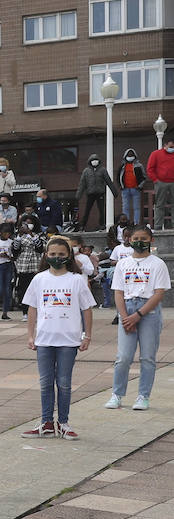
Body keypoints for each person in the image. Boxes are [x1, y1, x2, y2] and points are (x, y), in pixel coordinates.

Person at [21, 237, 94, 439]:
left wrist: (87, 335)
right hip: (44, 340)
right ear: (46, 255)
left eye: (61, 254)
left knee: (64, 383)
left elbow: (87, 309)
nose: (56, 257)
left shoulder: (77, 280)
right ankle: (46, 423)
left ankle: (63, 422)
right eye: (52, 254)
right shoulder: (39, 279)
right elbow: (32, 307)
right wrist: (30, 335)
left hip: (69, 341)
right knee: (45, 383)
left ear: (69, 256)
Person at [106, 225, 168, 410]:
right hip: (127, 307)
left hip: (149, 311)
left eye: (144, 238)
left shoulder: (157, 264)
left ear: (151, 240)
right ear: (129, 240)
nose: (139, 242)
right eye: (135, 239)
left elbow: (158, 294)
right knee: (123, 356)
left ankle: (143, 396)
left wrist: (138, 315)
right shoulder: (123, 264)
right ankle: (117, 394)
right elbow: (118, 292)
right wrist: (125, 317)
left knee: (148, 357)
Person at [76, 155, 119, 230]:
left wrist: (114, 192)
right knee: (87, 210)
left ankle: (102, 224)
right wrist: (78, 195)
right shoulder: (86, 171)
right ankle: (82, 225)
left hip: (100, 193)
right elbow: (82, 184)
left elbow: (108, 181)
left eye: (96, 160)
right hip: (90, 193)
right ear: (90, 161)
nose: (95, 161)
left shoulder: (102, 170)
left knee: (102, 210)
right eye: (93, 160)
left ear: (99, 161)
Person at [117, 149, 148, 224]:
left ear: (135, 156)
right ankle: (126, 223)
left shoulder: (139, 166)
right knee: (125, 208)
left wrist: (140, 186)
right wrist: (121, 186)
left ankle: (136, 223)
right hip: (125, 190)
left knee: (136, 208)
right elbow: (118, 177)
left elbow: (144, 177)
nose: (130, 157)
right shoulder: (122, 166)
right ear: (125, 156)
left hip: (136, 189)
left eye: (131, 155)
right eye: (128, 155)